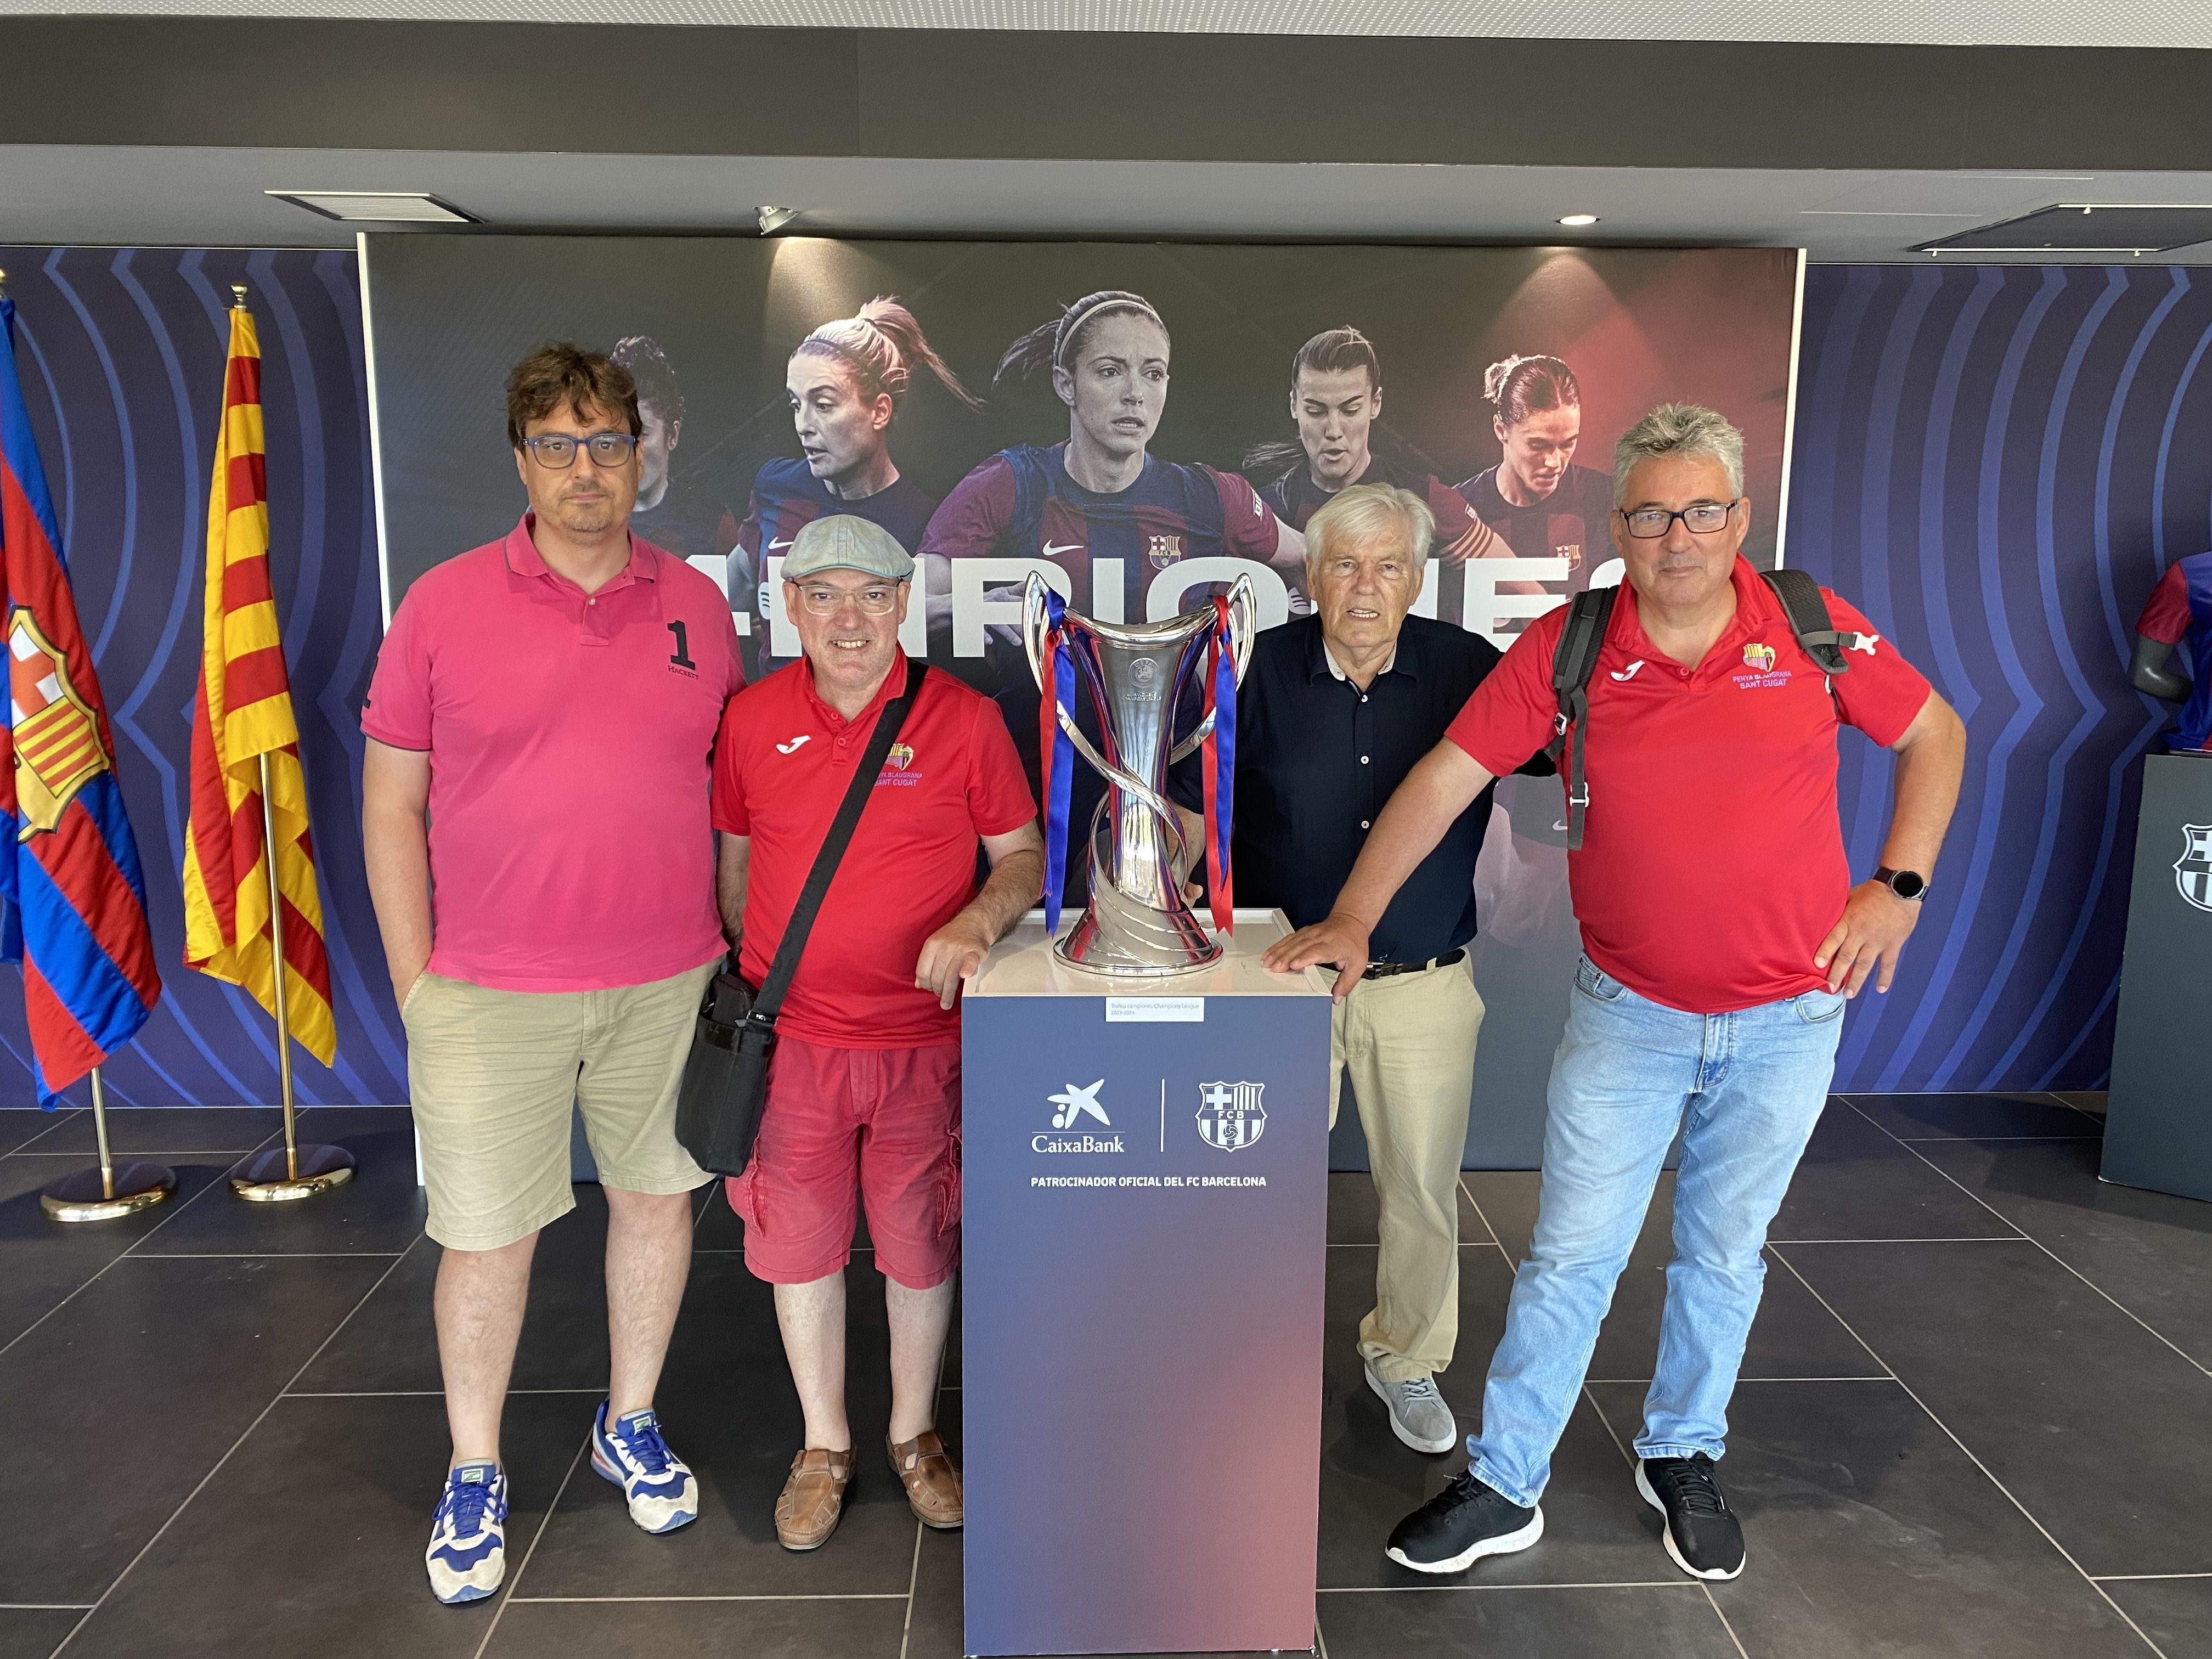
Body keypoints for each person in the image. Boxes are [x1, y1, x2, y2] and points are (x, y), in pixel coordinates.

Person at [1268, 404, 1966, 1584]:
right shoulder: (1571, 647)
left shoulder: (1809, 626)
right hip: (1629, 1015)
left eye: (1701, 511)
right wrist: (1351, 918)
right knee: (1569, 1258)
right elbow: (1444, 780)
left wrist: (1899, 883)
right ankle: (1506, 1483)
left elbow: (1935, 731)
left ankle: (1682, 1453)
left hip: (1788, 1020)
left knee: (1723, 1253)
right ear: (1620, 526)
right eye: (1650, 514)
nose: (1677, 537)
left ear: (1738, 518)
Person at [362, 342, 744, 1605]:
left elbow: (719, 797)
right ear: (521, 459)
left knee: (655, 1205)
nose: (587, 471)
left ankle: (627, 1419)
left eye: (609, 445)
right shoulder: (442, 605)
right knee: (487, 1238)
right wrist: (421, 983)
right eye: (559, 447)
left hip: (665, 982)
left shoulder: (696, 607)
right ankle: (475, 1466)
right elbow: (389, 807)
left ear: (645, 457)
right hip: (486, 994)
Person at [712, 514, 1043, 1553]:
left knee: (917, 1245)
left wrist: (975, 920)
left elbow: (1022, 856)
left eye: (869, 595)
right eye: (822, 595)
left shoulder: (964, 718)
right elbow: (734, 867)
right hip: (794, 1046)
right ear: (789, 606)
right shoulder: (751, 718)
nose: (847, 619)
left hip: (924, 1042)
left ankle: (912, 1434)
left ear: (905, 601)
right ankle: (823, 1443)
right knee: (801, 1247)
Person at [1223, 481, 1533, 1456]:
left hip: (1424, 981)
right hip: (1278, 977)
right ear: (1308, 575)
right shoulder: (1251, 669)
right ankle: (1246, 1366)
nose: (1365, 586)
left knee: (1419, 1190)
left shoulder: (1469, 668)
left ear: (1417, 576)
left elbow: (1571, 758)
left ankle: (1404, 1359)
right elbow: (1193, 803)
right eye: (1344, 565)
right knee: (1251, 1188)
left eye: (1388, 564)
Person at [727, 297, 981, 679]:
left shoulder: (923, 522)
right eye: (796, 405)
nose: (803, 425)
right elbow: (734, 585)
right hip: (776, 727)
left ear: (879, 411)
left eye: (824, 405)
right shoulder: (774, 486)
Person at [1249, 326, 1506, 567]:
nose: (1334, 431)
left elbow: (1525, 592)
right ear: (1295, 406)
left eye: (1351, 410)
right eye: (1316, 411)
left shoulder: (1427, 498)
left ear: (1375, 404)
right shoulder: (1263, 509)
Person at [1457, 353, 1617, 595]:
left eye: (1567, 444)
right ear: (1501, 430)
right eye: (1538, 446)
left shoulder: (1606, 499)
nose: (1554, 462)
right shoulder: (1461, 507)